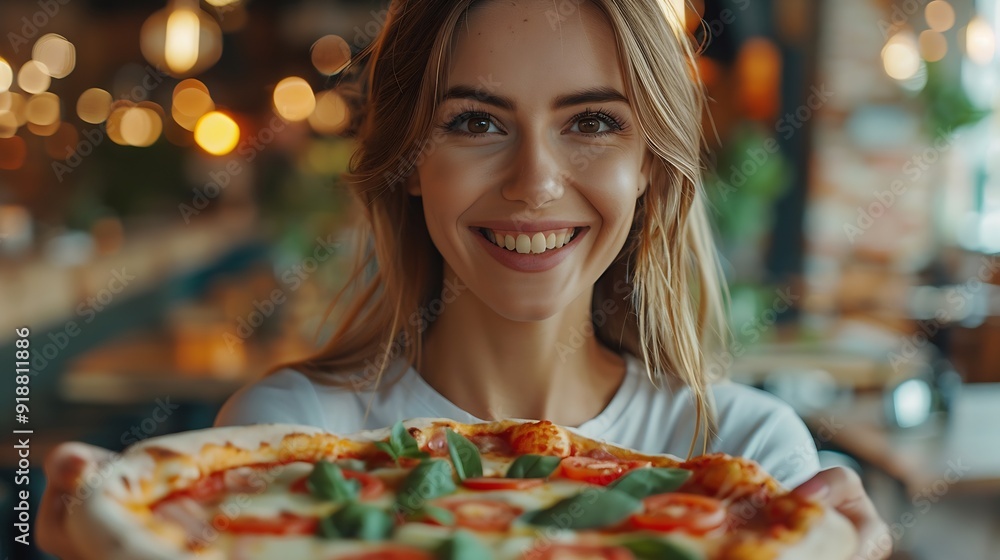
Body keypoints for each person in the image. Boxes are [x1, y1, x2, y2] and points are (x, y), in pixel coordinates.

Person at [39, 1, 890, 558]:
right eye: (476, 122)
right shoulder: (282, 434)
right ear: (410, 163)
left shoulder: (751, 457)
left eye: (591, 122)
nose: (535, 182)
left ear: (650, 171)